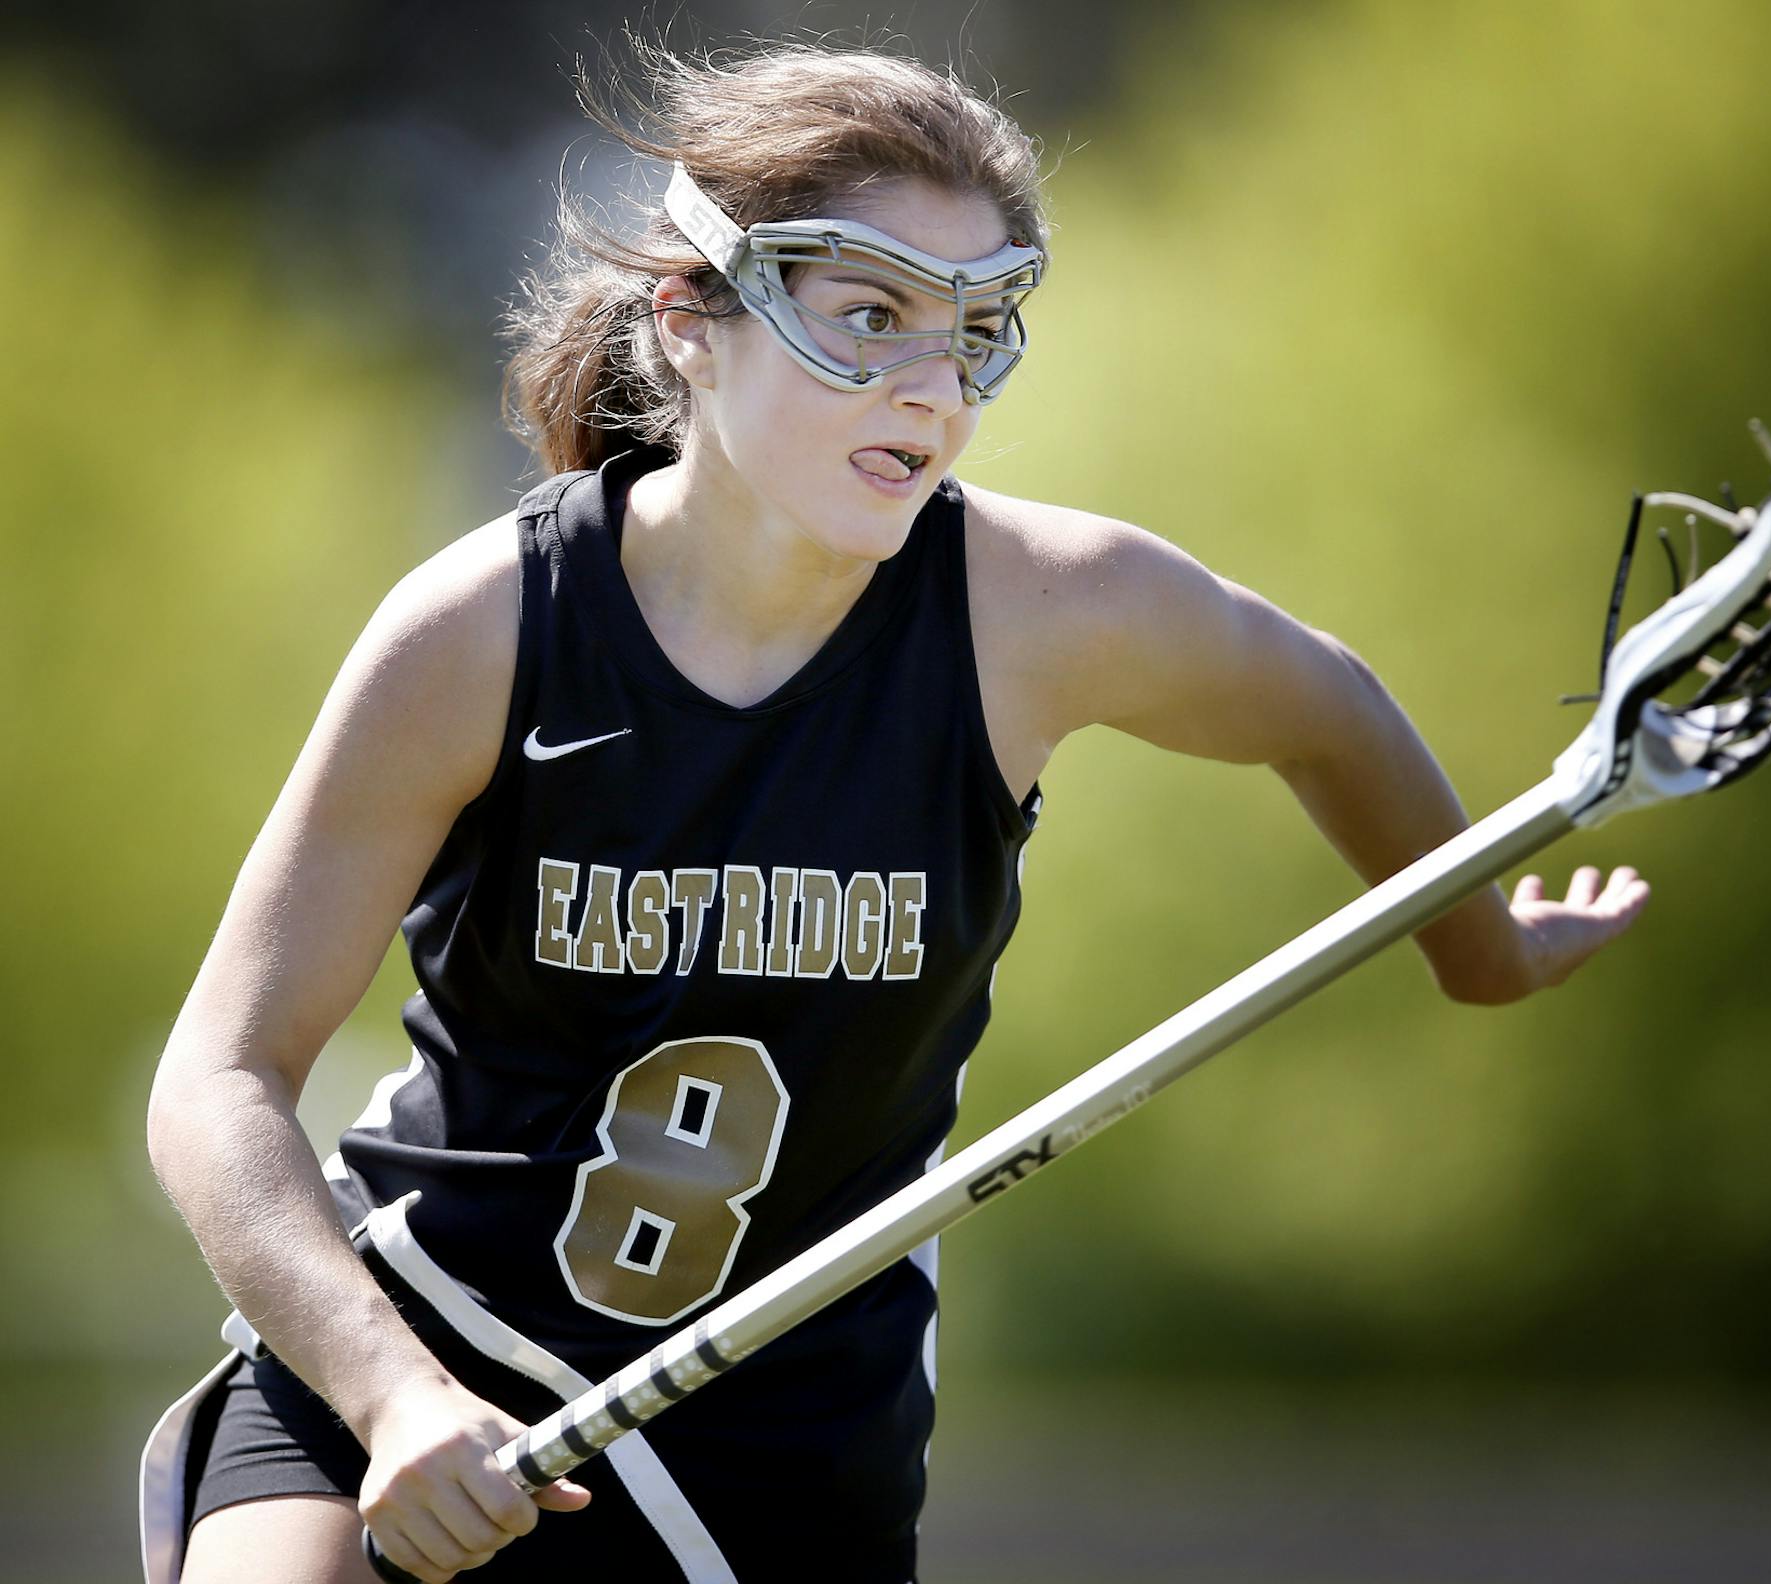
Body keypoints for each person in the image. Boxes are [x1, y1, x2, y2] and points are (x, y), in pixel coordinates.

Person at [140, 39, 1651, 1584]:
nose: (933, 391)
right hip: (422, 1357)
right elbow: (219, 1078)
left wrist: (1480, 951)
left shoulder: (1041, 612)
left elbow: (1325, 707)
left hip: (787, 1442)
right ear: (693, 323)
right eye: (869, 319)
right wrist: (391, 1397)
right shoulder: (484, 631)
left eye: (973, 334)